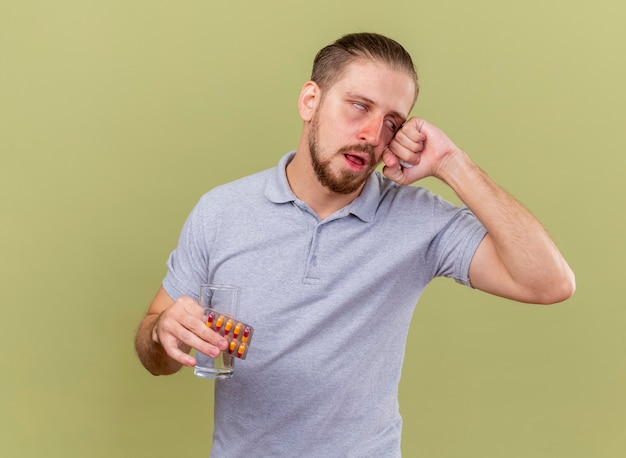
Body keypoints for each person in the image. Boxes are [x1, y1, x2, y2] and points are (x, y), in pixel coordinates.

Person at [134, 32, 575, 457]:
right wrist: (161, 331)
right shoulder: (220, 211)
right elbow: (155, 354)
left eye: (392, 123)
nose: (371, 133)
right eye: (359, 106)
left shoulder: (417, 219)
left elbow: (549, 282)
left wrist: (450, 163)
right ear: (311, 101)